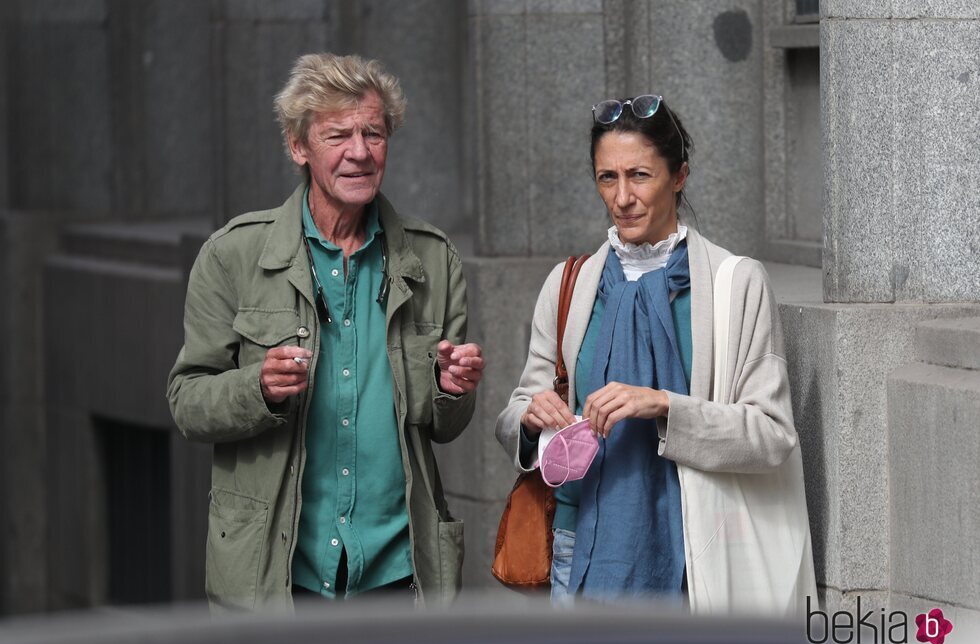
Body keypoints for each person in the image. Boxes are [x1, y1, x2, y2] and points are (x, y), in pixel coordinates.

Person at [167, 53, 484, 611]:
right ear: (299, 146)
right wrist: (256, 389)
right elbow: (187, 401)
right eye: (338, 135)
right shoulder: (233, 255)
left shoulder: (433, 259)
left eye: (374, 133)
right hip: (278, 574)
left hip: (398, 570)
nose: (359, 152)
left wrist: (454, 388)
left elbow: (444, 426)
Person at [495, 95, 815, 611]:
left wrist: (665, 405)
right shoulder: (569, 285)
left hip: (696, 556)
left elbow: (772, 436)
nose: (622, 197)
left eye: (640, 175)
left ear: (679, 175)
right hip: (578, 558)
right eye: (607, 178)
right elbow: (514, 413)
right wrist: (532, 420)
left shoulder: (737, 285)